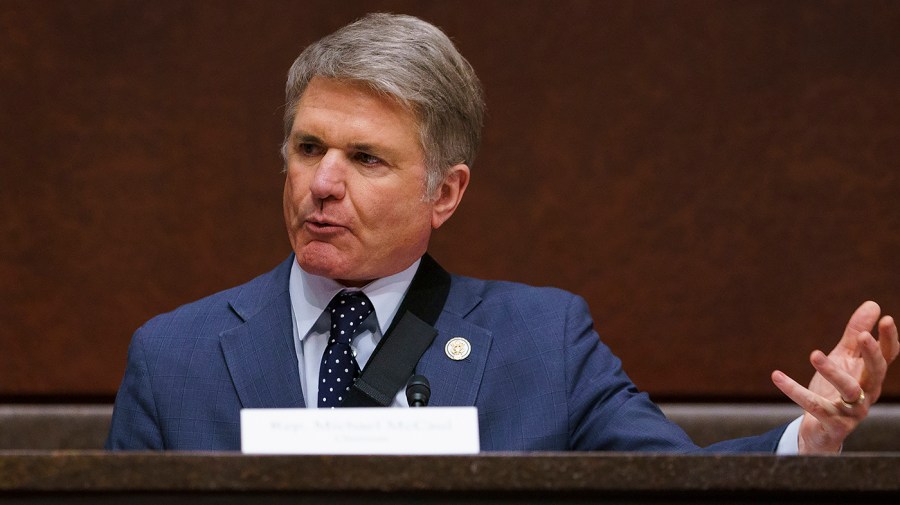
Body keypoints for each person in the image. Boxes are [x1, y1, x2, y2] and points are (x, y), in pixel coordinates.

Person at [105, 13, 898, 453]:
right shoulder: (175, 357)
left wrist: (809, 436)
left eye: (367, 158)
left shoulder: (542, 342)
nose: (322, 182)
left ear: (443, 193)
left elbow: (676, 483)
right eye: (309, 148)